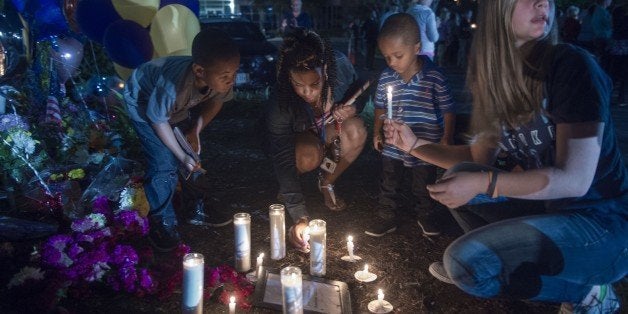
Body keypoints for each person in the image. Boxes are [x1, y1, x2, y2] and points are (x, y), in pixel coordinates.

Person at [383, 0, 626, 312]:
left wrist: (487, 183)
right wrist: (414, 145)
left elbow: (575, 180)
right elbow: (479, 160)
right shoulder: (498, 80)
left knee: (464, 265)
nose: (542, 3)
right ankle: (519, 266)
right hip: (551, 210)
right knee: (460, 173)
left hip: (601, 225)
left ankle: (590, 293)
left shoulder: (571, 65)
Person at [123, 28, 240, 252]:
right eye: (226, 76)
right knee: (163, 163)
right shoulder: (174, 85)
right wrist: (180, 155)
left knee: (191, 152)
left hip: (172, 109)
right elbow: (157, 120)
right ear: (199, 71)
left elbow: (217, 100)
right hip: (143, 103)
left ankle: (195, 207)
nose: (231, 80)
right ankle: (161, 221)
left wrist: (195, 130)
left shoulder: (216, 77)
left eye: (235, 73)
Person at [265, 28, 367, 251]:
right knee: (306, 156)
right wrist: (299, 216)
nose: (307, 93)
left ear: (326, 71)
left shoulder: (339, 65)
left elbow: (364, 84)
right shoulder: (281, 100)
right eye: (298, 85)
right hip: (302, 140)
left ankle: (327, 182)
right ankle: (289, 187)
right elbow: (282, 154)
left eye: (314, 84)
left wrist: (353, 107)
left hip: (328, 129)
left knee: (356, 130)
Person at [365, 13, 455, 238]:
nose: (392, 63)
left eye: (397, 55)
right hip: (393, 142)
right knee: (389, 180)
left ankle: (425, 215)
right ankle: (387, 216)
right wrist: (377, 132)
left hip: (425, 144)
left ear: (416, 48)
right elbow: (380, 107)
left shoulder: (434, 76)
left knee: (423, 182)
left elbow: (448, 109)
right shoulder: (387, 78)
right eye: (386, 57)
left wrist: (446, 139)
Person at [610, 4, 628, 107]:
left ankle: (609, 96)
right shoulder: (626, 20)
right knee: (624, 77)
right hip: (626, 49)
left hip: (616, 50)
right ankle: (621, 98)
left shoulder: (615, 22)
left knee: (615, 75)